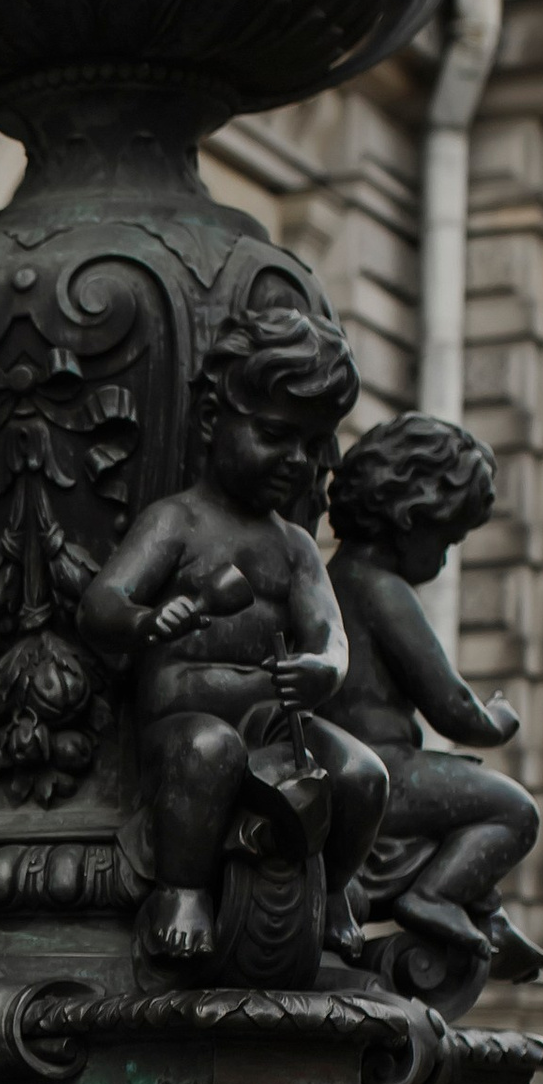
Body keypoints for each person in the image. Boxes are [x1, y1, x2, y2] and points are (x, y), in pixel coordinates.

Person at [80, 313, 388, 968]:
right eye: (275, 435)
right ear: (212, 418)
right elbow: (102, 604)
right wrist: (143, 621)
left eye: (313, 444)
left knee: (363, 775)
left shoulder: (296, 546)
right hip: (184, 720)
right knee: (207, 750)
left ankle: (334, 890)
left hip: (276, 724)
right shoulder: (176, 521)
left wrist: (323, 669)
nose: (297, 460)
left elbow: (329, 634)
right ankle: (183, 891)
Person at [325, 411, 543, 983]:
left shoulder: (333, 578)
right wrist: (497, 720)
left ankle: (489, 917)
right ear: (412, 517)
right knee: (514, 810)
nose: (445, 559)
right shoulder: (384, 590)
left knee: (461, 787)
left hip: (355, 768)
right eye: (448, 540)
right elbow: (451, 706)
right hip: (385, 773)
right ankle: (435, 896)